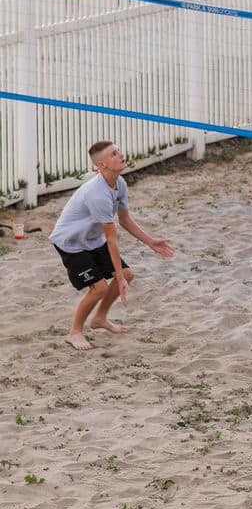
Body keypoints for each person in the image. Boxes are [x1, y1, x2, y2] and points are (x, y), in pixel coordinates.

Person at [50, 141, 174, 351]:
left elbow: (124, 220)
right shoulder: (96, 193)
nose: (121, 155)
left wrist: (150, 241)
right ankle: (75, 332)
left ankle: (99, 318)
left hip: (92, 239)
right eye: (113, 154)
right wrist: (117, 275)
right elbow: (112, 238)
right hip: (71, 243)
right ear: (101, 165)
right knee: (99, 288)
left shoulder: (120, 183)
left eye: (118, 151)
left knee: (127, 274)